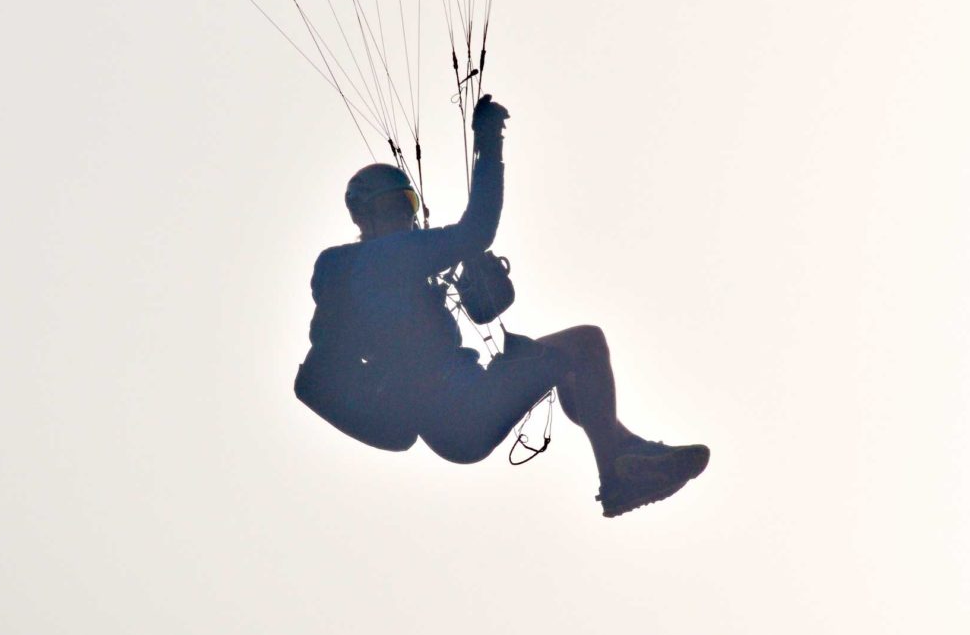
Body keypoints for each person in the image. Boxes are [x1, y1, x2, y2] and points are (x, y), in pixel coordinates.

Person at [294, 96, 709, 518]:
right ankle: (616, 474)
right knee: (585, 344)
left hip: (455, 413)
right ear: (363, 215)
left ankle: (624, 450)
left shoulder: (363, 276)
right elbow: (477, 230)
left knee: (571, 366)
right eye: (392, 206)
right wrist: (489, 141)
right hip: (458, 408)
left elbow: (424, 320)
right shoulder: (382, 257)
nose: (404, 217)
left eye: (408, 205)